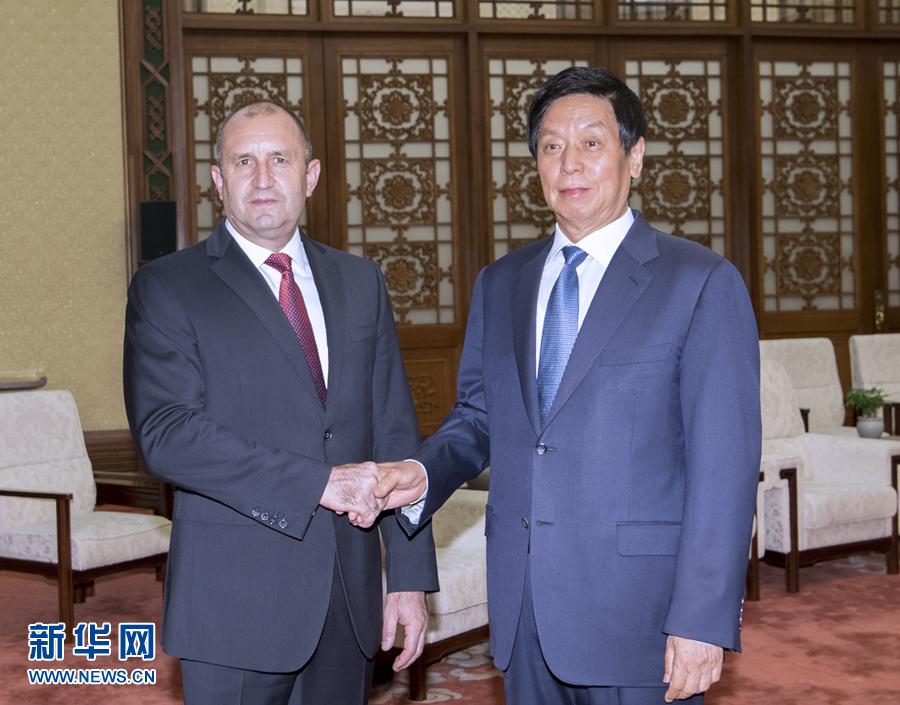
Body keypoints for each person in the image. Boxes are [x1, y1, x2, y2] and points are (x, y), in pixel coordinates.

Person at [372, 67, 761, 704]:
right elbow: (480, 418)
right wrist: (420, 473)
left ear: (635, 156)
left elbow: (725, 466)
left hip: (641, 620)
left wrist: (701, 618)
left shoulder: (700, 282)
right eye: (551, 146)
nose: (569, 162)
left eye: (591, 142)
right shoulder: (502, 283)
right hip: (525, 611)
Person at [123, 99, 438, 705]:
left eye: (280, 159)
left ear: (310, 175)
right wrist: (319, 483)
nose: (263, 178)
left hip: (349, 599)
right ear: (219, 181)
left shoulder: (360, 281)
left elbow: (395, 434)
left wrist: (408, 576)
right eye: (243, 161)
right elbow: (168, 434)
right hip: (235, 599)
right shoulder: (168, 286)